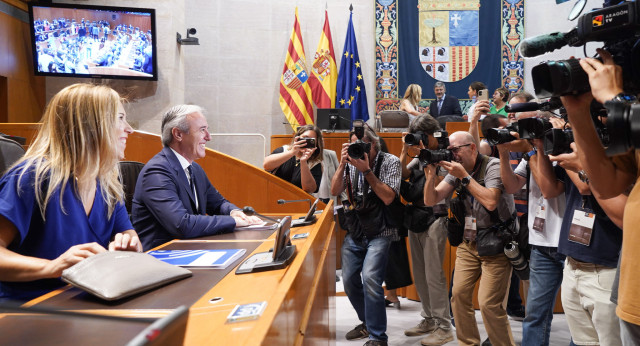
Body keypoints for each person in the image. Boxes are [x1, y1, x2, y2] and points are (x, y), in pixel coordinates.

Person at [0, 83, 142, 302]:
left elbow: (131, 239)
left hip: (87, 301)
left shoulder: (107, 185)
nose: (129, 129)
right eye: (120, 118)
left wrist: (128, 248)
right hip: (31, 308)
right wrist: (52, 267)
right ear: (91, 126)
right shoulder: (31, 178)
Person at [552, 48, 633, 344]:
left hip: (608, 266)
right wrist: (577, 109)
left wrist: (615, 99)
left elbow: (617, 206)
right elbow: (609, 184)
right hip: (574, 263)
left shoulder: (620, 132)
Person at [424, 131, 516, 346]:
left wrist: (465, 176)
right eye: (450, 150)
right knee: (458, 295)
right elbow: (431, 199)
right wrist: (430, 177)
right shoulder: (456, 169)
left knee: (488, 304)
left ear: (472, 148)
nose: (453, 154)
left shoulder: (491, 165)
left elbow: (491, 202)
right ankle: (468, 343)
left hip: (496, 241)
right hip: (469, 242)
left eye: (456, 149)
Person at [132, 105, 261, 250]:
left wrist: (235, 212)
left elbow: (218, 204)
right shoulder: (157, 172)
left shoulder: (195, 169)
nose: (209, 137)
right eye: (202, 130)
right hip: (162, 258)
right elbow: (181, 224)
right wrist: (233, 221)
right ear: (178, 134)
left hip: (191, 251)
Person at [331, 126, 401, 346]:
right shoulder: (349, 162)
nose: (357, 148)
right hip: (357, 229)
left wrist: (367, 171)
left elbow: (389, 197)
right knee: (349, 280)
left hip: (381, 229)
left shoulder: (390, 162)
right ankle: (367, 323)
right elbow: (334, 191)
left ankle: (377, 337)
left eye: (362, 144)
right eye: (353, 144)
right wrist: (343, 163)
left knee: (370, 278)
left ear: (374, 144)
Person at [400, 115, 454, 345]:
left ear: (433, 134)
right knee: (420, 275)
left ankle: (444, 326)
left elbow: (443, 183)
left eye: (423, 136)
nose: (421, 140)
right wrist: (405, 150)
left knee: (434, 276)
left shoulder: (448, 152)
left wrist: (427, 155)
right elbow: (404, 174)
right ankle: (429, 318)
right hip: (415, 216)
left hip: (436, 217)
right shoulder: (419, 154)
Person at [263, 124, 323, 194]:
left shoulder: (315, 163)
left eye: (311, 141)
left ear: (316, 144)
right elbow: (266, 165)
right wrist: (292, 152)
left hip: (299, 202)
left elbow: (309, 189)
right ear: (297, 138)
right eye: (304, 138)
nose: (306, 142)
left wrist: (303, 162)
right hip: (275, 197)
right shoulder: (284, 150)